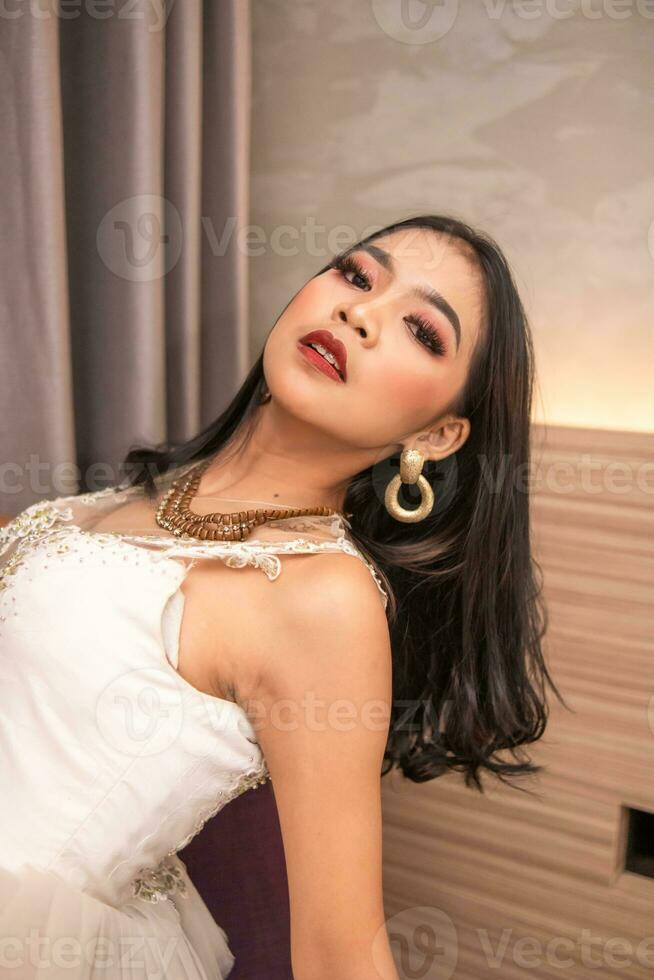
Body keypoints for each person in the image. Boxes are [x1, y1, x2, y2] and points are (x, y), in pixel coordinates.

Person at [0, 214, 564, 979]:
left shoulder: (322, 597)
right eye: (356, 275)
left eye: (422, 331)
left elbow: (343, 956)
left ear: (437, 437)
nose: (358, 313)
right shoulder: (155, 498)